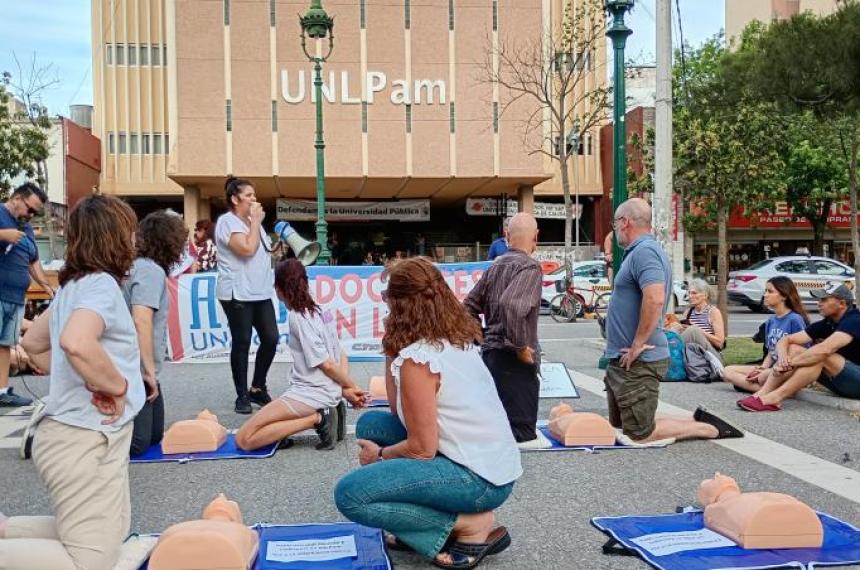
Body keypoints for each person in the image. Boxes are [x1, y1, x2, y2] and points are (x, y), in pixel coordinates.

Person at [335, 257, 521, 569]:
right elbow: (399, 412)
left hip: (479, 481)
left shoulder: (420, 360)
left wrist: (380, 456)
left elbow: (422, 449)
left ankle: (467, 524)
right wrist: (392, 347)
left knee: (351, 495)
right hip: (489, 466)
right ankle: (424, 525)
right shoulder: (452, 340)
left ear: (399, 305)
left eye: (388, 300)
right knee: (372, 423)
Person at [0, 194, 145, 569]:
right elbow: (75, 342)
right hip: (82, 440)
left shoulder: (75, 286)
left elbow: (33, 343)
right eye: (130, 232)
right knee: (89, 563)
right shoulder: (99, 286)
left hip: (79, 436)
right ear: (114, 237)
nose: (134, 241)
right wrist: (116, 388)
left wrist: (82, 377)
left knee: (107, 541)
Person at [604, 198, 743, 442]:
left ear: (625, 222)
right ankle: (696, 419)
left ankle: (708, 429)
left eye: (615, 224)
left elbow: (655, 299)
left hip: (639, 358)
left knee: (639, 434)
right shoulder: (638, 252)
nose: (614, 230)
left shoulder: (645, 252)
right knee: (621, 424)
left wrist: (637, 343)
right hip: (624, 359)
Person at [236, 259, 368, 451]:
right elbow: (340, 356)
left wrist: (353, 388)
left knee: (244, 438)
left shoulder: (297, 317)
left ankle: (318, 419)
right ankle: (329, 409)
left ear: (279, 289)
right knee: (269, 426)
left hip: (309, 395)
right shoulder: (322, 310)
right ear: (305, 282)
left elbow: (327, 364)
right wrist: (344, 391)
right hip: (325, 391)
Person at [465, 213, 545, 448]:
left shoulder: (495, 266)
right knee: (520, 436)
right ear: (536, 237)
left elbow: (467, 307)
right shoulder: (530, 267)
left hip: (492, 356)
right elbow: (511, 305)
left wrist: (482, 336)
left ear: (507, 236)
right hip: (514, 360)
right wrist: (520, 347)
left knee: (497, 432)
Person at [738, 283, 860, 411]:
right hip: (843, 381)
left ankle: (775, 398)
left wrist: (789, 364)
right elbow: (786, 339)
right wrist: (783, 359)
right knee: (796, 349)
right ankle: (762, 394)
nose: (819, 303)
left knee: (820, 356)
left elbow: (825, 350)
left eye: (824, 299)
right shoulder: (828, 322)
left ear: (841, 303)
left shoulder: (854, 320)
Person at [126, 211, 188, 456]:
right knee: (138, 444)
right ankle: (56, 437)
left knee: (154, 437)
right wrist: (148, 372)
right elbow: (141, 319)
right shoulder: (149, 270)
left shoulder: (142, 267)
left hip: (138, 366)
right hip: (135, 367)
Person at [215, 176, 279, 414]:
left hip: (260, 291)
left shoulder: (255, 223)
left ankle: (257, 387)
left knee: (271, 338)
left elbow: (261, 251)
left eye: (254, 195)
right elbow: (246, 249)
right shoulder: (227, 222)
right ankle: (241, 395)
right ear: (235, 199)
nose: (254, 199)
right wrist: (255, 223)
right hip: (237, 292)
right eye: (249, 195)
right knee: (241, 342)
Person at [0, 183, 54, 407]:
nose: (30, 216)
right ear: (16, 198)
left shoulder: (27, 228)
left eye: (35, 213)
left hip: (15, 296)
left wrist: (47, 286)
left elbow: (33, 261)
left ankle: (2, 391)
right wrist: (3, 235)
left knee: (5, 345)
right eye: (29, 209)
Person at [721, 277, 808, 393]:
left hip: (786, 370)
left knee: (761, 377)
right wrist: (762, 368)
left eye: (770, 291)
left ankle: (766, 387)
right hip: (771, 369)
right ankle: (770, 389)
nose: (765, 295)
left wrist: (766, 372)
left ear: (784, 296)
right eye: (765, 291)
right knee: (727, 371)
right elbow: (771, 353)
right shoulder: (771, 321)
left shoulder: (795, 319)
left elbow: (802, 351)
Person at [669, 279, 725, 357]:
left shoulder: (713, 312)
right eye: (689, 293)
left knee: (693, 330)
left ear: (705, 295)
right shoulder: (688, 312)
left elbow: (720, 343)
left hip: (711, 355)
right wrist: (678, 327)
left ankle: (669, 352)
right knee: (673, 329)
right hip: (693, 354)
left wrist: (698, 331)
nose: (690, 296)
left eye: (694, 293)